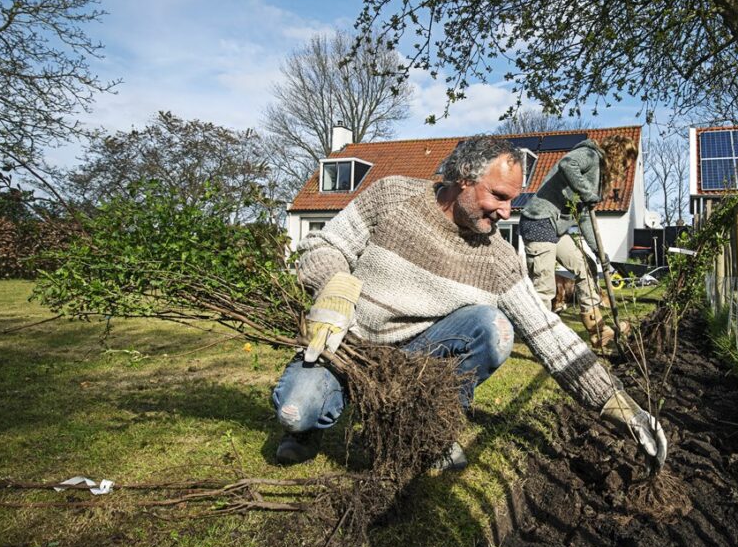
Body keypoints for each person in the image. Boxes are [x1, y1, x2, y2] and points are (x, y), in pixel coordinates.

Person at [272, 135, 666, 471]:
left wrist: (620, 407)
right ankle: (308, 431)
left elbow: (551, 336)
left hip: (416, 359)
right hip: (349, 342)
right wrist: (334, 285)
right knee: (296, 411)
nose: (507, 212)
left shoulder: (497, 256)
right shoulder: (393, 195)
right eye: (498, 196)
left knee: (494, 329)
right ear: (463, 178)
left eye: (513, 200)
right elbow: (326, 244)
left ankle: (428, 427)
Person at [519, 135, 639, 350]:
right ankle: (543, 341)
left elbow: (584, 219)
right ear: (617, 154)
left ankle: (597, 333)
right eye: (624, 162)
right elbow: (567, 163)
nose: (624, 168)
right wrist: (586, 192)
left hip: (556, 228)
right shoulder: (590, 154)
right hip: (539, 220)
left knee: (586, 267)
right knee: (544, 287)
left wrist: (601, 256)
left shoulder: (596, 177)